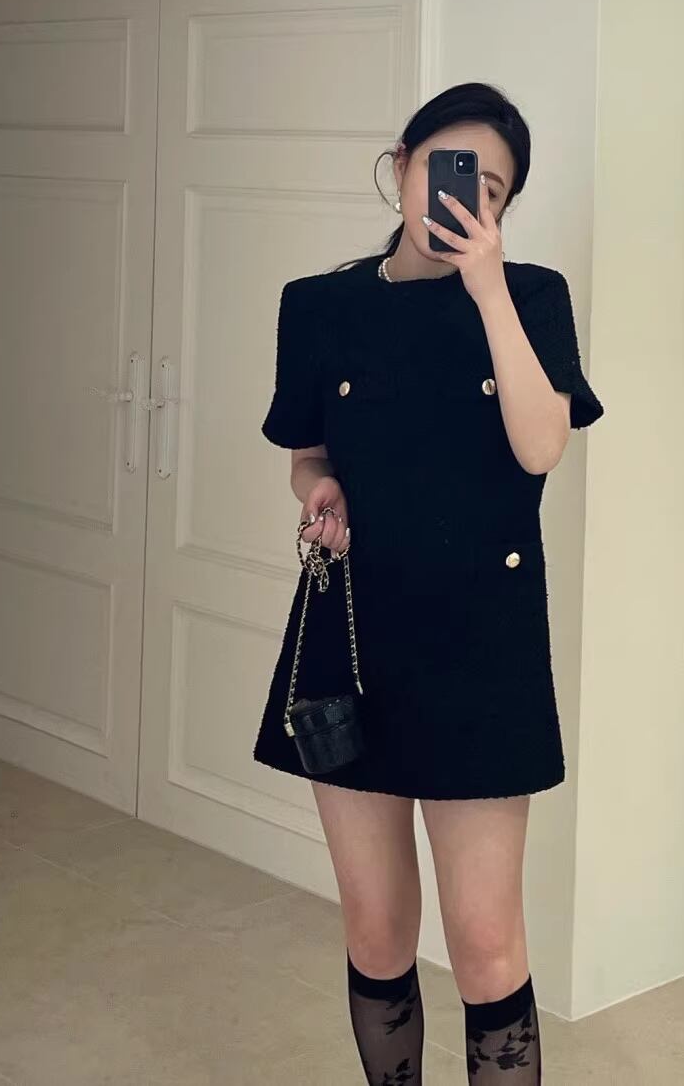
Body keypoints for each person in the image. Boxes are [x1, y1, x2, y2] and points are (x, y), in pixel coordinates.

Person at [253, 81, 604, 1084]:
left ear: (503, 208)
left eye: (489, 188)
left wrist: (487, 290)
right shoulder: (319, 306)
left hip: (481, 645)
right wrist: (319, 489)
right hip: (351, 635)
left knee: (485, 941)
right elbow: (307, 453)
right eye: (449, 169)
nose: (462, 197)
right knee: (375, 929)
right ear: (402, 164)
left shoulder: (530, 296)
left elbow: (541, 448)